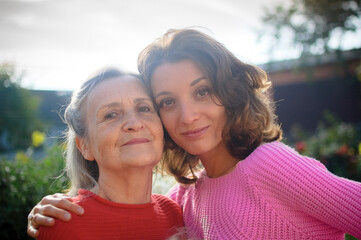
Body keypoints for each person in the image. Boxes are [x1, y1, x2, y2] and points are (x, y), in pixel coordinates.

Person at [28, 29, 361, 239]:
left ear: (229, 93)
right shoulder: (183, 201)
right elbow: (134, 213)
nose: (187, 116)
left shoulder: (269, 165)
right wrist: (50, 209)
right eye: (168, 102)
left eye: (202, 92)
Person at [34, 68, 184, 240]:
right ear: (84, 146)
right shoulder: (64, 223)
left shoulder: (174, 213)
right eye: (111, 115)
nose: (134, 123)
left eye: (144, 108)